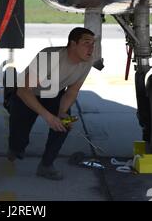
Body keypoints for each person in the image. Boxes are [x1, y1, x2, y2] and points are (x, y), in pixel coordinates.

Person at [7, 27, 95, 180]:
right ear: (73, 44)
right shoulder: (50, 56)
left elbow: (72, 92)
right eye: (86, 43)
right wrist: (48, 117)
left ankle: (46, 165)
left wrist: (62, 112)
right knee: (18, 138)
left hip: (54, 94)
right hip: (27, 93)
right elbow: (24, 91)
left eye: (93, 44)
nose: (91, 48)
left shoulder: (86, 63)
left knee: (64, 123)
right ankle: (15, 146)